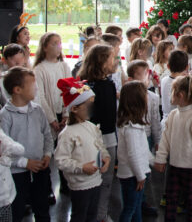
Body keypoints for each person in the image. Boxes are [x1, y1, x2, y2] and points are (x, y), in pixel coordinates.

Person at [154, 75, 192, 222]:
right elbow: (165, 139)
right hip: (174, 166)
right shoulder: (173, 115)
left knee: (191, 202)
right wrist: (160, 158)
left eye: (171, 92)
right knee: (171, 199)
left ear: (180, 95)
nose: (169, 95)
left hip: (191, 169)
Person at [0, 67, 53, 222]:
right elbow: (2, 152)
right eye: (32, 84)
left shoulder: (37, 110)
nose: (36, 87)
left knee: (42, 208)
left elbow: (47, 135)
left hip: (40, 169)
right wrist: (25, 163)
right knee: (16, 211)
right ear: (17, 90)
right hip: (17, 174)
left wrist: (47, 154)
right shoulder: (5, 116)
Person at [55, 78, 111, 222]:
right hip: (80, 184)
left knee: (92, 215)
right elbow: (61, 161)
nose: (92, 109)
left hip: (96, 180)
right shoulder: (67, 134)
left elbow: (100, 145)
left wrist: (106, 158)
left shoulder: (91, 126)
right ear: (74, 108)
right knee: (79, 216)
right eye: (87, 106)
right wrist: (81, 167)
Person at [78, 44, 119, 221]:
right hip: (95, 138)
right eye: (111, 58)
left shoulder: (109, 83)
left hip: (110, 136)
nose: (115, 60)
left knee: (107, 180)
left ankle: (101, 214)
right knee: (94, 179)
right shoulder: (89, 87)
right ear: (101, 61)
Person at [116, 81, 153, 222]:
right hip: (132, 176)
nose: (147, 98)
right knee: (130, 207)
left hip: (136, 174)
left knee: (136, 206)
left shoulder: (135, 124)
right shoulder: (130, 128)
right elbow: (133, 155)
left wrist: (154, 162)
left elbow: (143, 150)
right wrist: (140, 176)